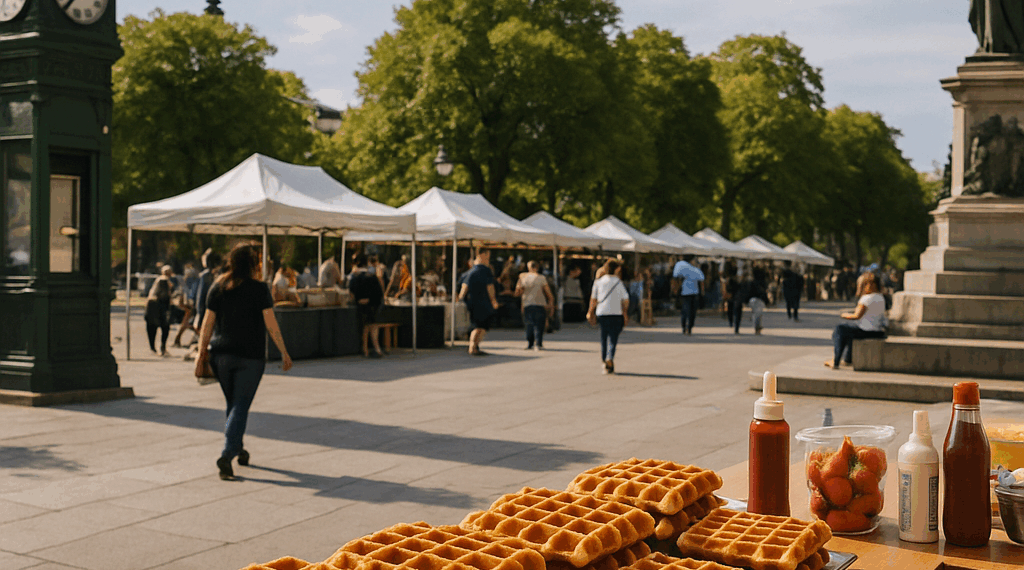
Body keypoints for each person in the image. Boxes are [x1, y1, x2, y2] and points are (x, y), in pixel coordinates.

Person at [195, 242, 292, 481]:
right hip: (250, 356)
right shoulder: (259, 289)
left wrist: (201, 352)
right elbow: (271, 323)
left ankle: (238, 448)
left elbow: (207, 323)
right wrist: (284, 352)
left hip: (221, 355)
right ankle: (227, 454)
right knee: (240, 405)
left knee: (234, 404)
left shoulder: (218, 286)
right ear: (253, 263)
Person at [826, 271, 888, 369]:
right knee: (850, 331)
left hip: (867, 331)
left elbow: (856, 316)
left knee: (840, 329)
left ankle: (836, 360)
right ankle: (847, 359)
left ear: (868, 285)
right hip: (878, 332)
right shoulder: (880, 297)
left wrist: (844, 315)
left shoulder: (866, 298)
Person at [587, 259, 629, 374]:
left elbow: (593, 299)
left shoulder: (598, 282)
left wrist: (590, 312)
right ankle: (609, 357)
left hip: (602, 312)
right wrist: (625, 312)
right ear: (616, 269)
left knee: (603, 337)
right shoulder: (618, 282)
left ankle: (605, 362)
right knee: (613, 337)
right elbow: (625, 299)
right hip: (616, 313)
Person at [458, 249, 500, 356]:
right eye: (488, 255)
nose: (489, 258)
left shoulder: (468, 272)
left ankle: (474, 346)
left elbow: (463, 287)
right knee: (480, 326)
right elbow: (490, 287)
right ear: (482, 255)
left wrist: (461, 298)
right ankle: (473, 347)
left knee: (477, 325)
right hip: (483, 303)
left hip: (472, 302)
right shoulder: (485, 271)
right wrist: (494, 300)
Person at [349, 253, 385, 358]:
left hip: (361, 305)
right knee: (373, 325)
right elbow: (379, 293)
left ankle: (365, 349)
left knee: (365, 326)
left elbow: (351, 293)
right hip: (373, 305)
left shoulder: (355, 276)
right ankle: (377, 348)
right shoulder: (372, 276)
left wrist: (357, 300)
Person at [515, 260, 555, 351]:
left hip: (527, 304)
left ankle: (530, 343)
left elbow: (518, 293)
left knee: (529, 324)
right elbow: (548, 292)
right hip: (540, 304)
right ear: (537, 267)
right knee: (539, 325)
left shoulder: (523, 277)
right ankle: (538, 343)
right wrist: (551, 303)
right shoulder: (541, 278)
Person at [145, 265, 176, 355]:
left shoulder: (160, 279)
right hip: (159, 306)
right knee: (164, 327)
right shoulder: (163, 280)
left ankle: (153, 347)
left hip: (152, 306)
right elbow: (164, 294)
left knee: (152, 328)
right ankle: (162, 347)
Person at [672, 255, 705, 335]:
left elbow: (676, 277)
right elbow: (702, 281)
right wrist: (703, 292)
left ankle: (686, 327)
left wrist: (675, 289)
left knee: (686, 310)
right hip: (690, 292)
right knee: (691, 311)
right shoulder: (694, 269)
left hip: (688, 292)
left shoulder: (685, 268)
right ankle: (688, 327)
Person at [194, 249, 221, 334]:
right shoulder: (222, 274)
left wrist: (199, 316)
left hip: (208, 311)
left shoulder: (205, 275)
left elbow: (201, 298)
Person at [172, 262, 200, 347]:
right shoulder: (195, 277)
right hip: (191, 303)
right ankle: (179, 339)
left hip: (187, 302)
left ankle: (178, 339)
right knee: (189, 322)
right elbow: (191, 292)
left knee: (187, 322)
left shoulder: (188, 277)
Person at [737, 267, 769, 334]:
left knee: (755, 313)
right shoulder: (763, 282)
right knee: (759, 313)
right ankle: (758, 327)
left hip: (752, 300)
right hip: (760, 300)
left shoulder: (751, 282)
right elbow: (764, 292)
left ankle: (757, 326)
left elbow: (748, 292)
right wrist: (767, 301)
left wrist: (745, 300)